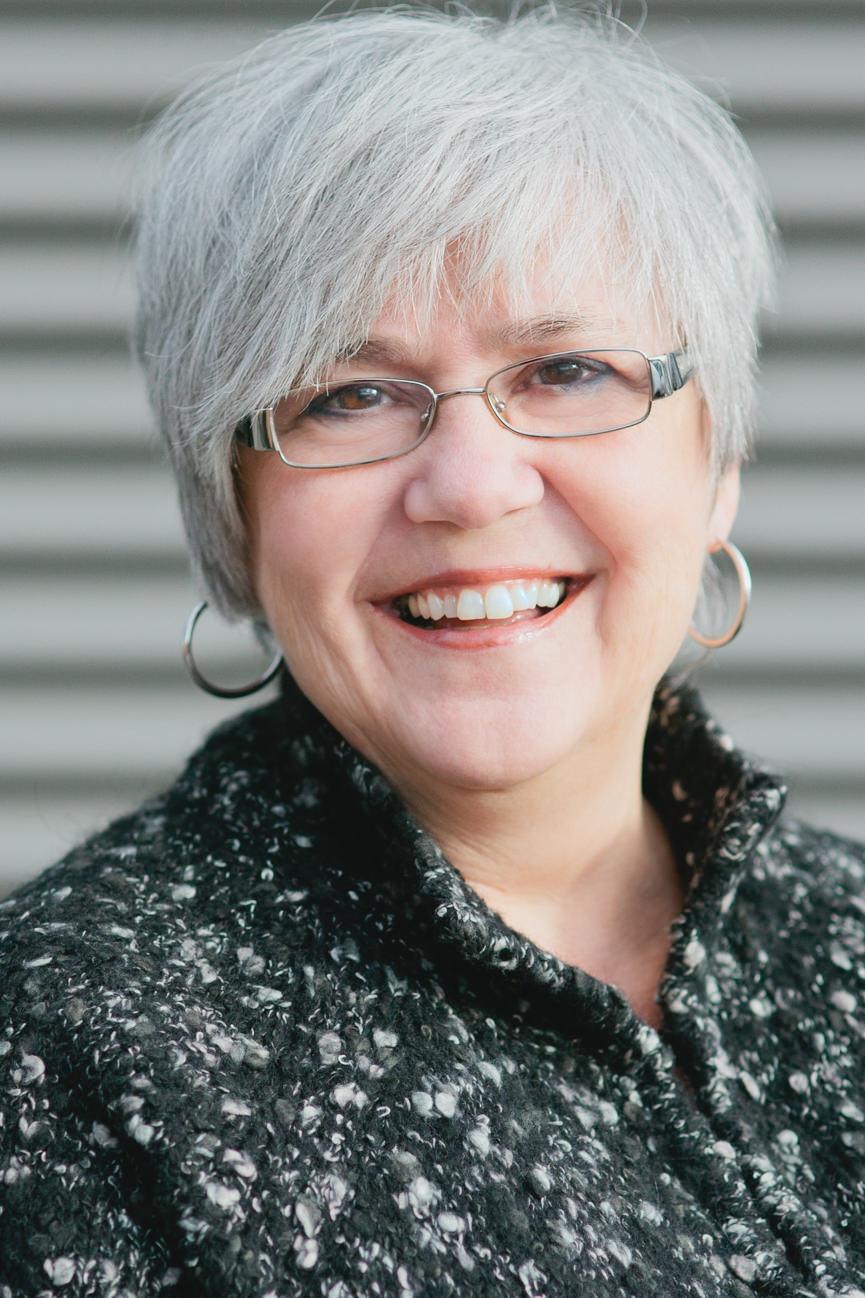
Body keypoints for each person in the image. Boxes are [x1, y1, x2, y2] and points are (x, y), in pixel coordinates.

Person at [2, 5, 864, 1295]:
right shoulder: (65, 1043)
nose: (468, 487)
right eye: (350, 395)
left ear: (718, 460)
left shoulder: (847, 937)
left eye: (568, 370)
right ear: (232, 507)